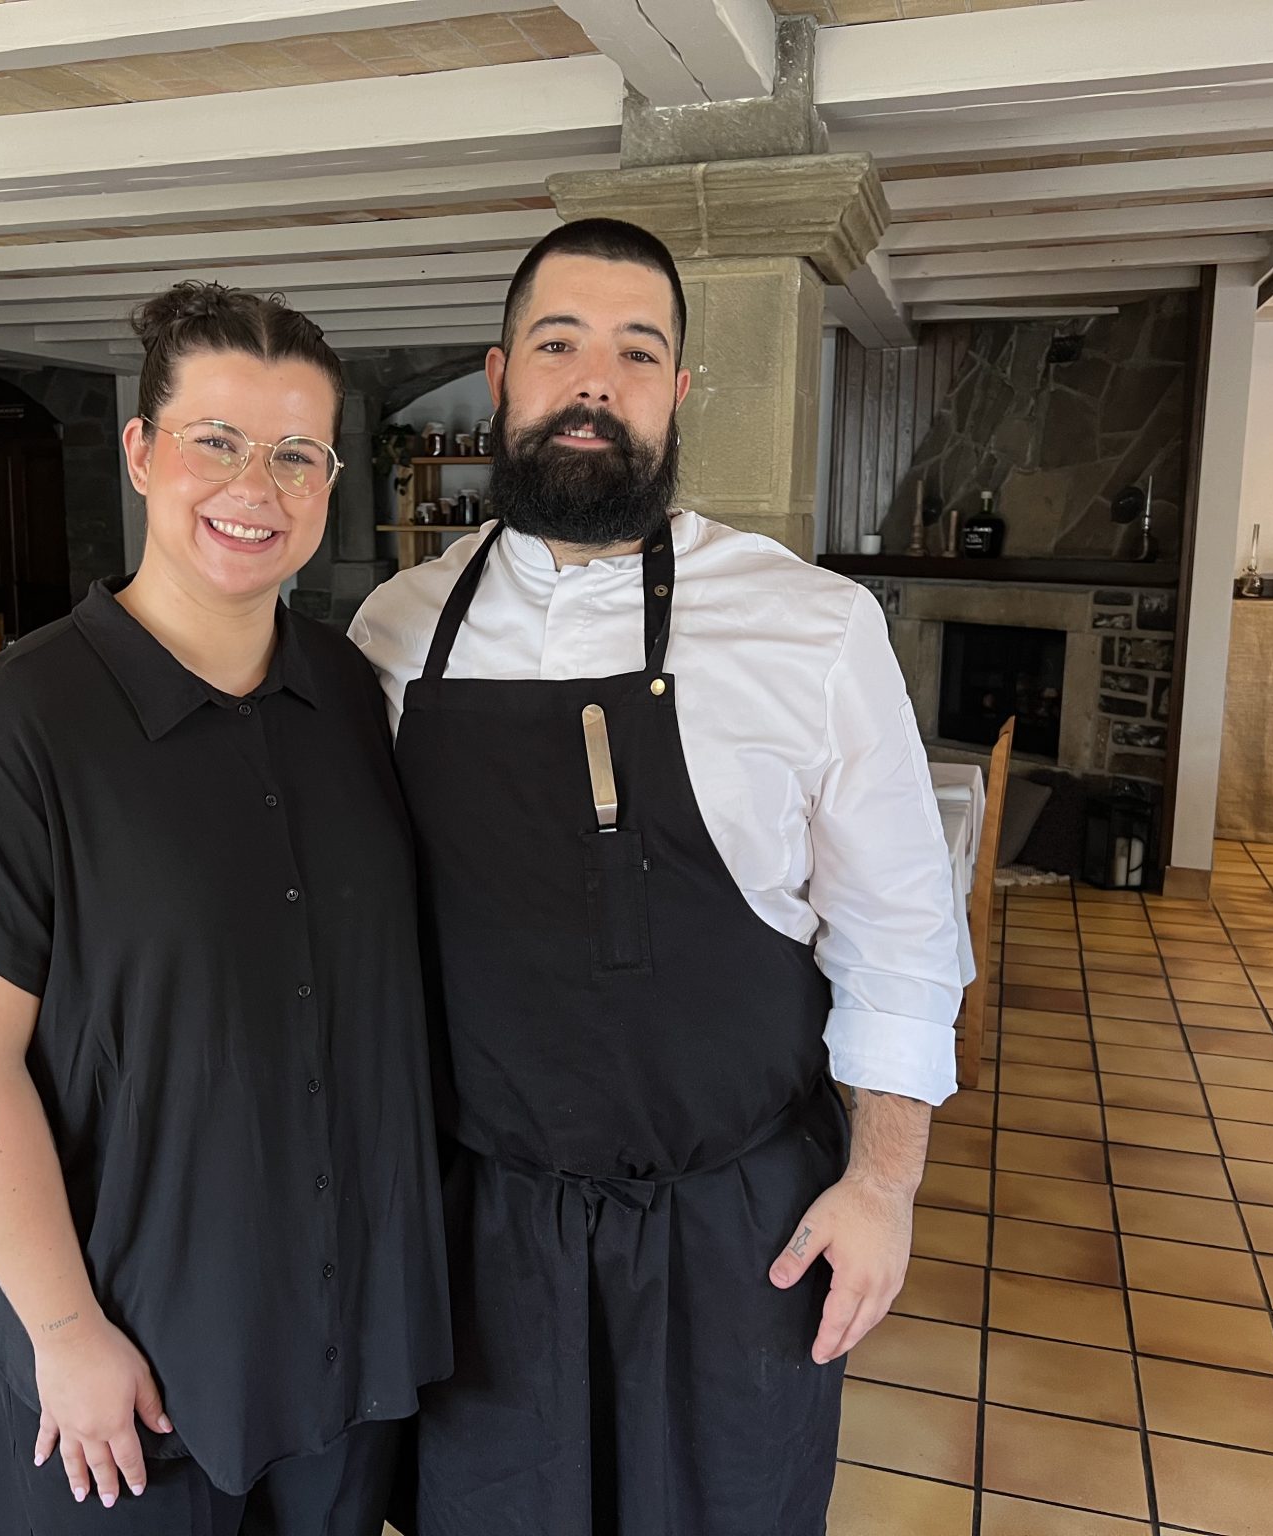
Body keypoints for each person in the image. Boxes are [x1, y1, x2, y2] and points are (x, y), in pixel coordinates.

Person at [349, 218, 963, 1536]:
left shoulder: (812, 625)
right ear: (502, 373)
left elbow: (902, 930)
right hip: (483, 1234)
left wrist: (883, 1185)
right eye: (560, 344)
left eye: (639, 352)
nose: (596, 381)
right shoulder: (396, 632)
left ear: (678, 394)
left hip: (737, 1232)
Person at [0, 281, 451, 1535]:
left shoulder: (352, 698)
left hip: (342, 1336)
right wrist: (67, 1332)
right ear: (141, 453)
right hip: (131, 1367)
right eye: (217, 442)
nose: (258, 486)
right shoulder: (22, 722)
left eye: (297, 454)